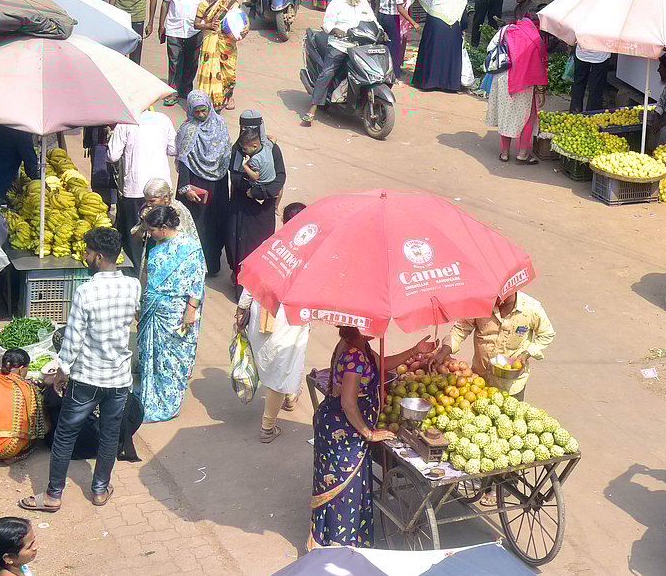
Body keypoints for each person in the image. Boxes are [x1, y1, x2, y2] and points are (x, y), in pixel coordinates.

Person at [20, 228, 139, 512]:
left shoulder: (86, 292)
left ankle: (52, 495)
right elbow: (132, 318)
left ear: (98, 257)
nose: (84, 256)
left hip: (87, 378)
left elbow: (72, 339)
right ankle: (99, 490)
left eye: (87, 252)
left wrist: (61, 372)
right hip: (119, 378)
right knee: (110, 435)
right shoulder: (133, 285)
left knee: (65, 434)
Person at [310, 327, 435, 549]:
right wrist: (368, 433)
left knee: (347, 484)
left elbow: (383, 364)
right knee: (345, 487)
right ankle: (339, 548)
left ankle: (333, 540)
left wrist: (415, 350)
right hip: (343, 431)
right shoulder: (354, 357)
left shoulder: (361, 348)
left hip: (340, 425)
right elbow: (348, 403)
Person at [235, 204, 309, 443]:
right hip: (289, 322)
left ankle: (289, 396)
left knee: (278, 365)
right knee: (282, 368)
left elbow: (251, 279)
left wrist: (241, 309)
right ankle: (267, 426)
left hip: (264, 316)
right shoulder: (310, 256)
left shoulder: (273, 247)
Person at [136, 205, 206, 422]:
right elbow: (148, 275)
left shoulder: (190, 248)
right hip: (153, 309)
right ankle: (149, 398)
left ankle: (168, 404)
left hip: (175, 314)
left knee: (173, 360)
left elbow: (197, 283)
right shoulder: (156, 245)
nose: (149, 234)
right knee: (151, 357)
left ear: (165, 228)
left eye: (152, 230)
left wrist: (190, 311)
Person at [434, 289, 553, 398]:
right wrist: (443, 352)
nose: (498, 300)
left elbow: (547, 334)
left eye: (502, 296)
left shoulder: (531, 308)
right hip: (479, 381)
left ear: (513, 288)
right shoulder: (480, 303)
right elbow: (460, 330)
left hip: (511, 385)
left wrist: (526, 353)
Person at [108, 105, 177, 271]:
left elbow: (112, 155)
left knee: (136, 236)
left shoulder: (125, 123)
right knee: (160, 231)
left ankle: (137, 273)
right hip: (161, 190)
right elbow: (174, 149)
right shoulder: (163, 119)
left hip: (135, 189)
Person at [301, 0, 376, 126]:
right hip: (339, 45)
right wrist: (334, 29)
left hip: (359, 46)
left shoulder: (363, 3)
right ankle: (313, 108)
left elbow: (373, 20)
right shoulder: (336, 3)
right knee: (327, 72)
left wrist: (381, 30)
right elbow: (327, 23)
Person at [176, 91, 232, 276]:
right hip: (195, 185)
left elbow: (227, 153)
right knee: (195, 225)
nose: (201, 115)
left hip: (218, 184)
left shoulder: (220, 124)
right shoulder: (188, 129)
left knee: (215, 224)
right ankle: (193, 267)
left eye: (204, 110)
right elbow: (183, 159)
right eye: (197, 111)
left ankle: (212, 265)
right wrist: (185, 188)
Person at [226, 111, 286, 281]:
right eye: (244, 127)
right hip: (241, 206)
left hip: (262, 208)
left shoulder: (271, 149)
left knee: (259, 245)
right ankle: (238, 278)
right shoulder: (238, 149)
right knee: (235, 243)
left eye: (251, 128)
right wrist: (248, 188)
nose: (247, 131)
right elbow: (235, 177)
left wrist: (260, 192)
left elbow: (280, 176)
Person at [486, 13, 548, 164]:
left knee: (505, 113)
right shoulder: (536, 38)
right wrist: (541, 91)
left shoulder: (506, 29)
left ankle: (504, 153)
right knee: (529, 116)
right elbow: (539, 66)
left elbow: (490, 48)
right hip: (525, 81)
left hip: (503, 78)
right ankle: (522, 154)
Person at [158, 0, 210, 104]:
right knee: (174, 61)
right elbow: (165, 2)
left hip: (196, 29)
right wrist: (161, 25)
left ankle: (186, 89)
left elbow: (209, 3)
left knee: (192, 61)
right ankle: (173, 91)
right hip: (174, 27)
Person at [411, 0, 467, 92]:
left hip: (435, 22)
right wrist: (463, 26)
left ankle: (428, 82)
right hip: (452, 25)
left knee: (432, 52)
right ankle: (449, 84)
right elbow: (462, 7)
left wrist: (434, 9)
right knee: (449, 54)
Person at [193, 0, 245, 111]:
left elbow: (239, 20)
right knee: (210, 69)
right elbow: (196, 25)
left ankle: (229, 97)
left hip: (227, 42)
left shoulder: (231, 3)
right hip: (210, 40)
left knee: (228, 71)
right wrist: (209, 25)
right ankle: (209, 98)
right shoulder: (204, 5)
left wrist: (241, 32)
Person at [376, 0, 417, 80]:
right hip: (392, 18)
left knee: (381, 44)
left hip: (381, 15)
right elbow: (400, 8)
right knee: (393, 46)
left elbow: (377, 2)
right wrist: (412, 21)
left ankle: (381, 70)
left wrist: (375, 17)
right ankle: (393, 74)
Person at [570, 45, 612, 114]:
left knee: (578, 83)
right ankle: (592, 114)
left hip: (582, 52)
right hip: (600, 55)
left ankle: (574, 112)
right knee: (596, 87)